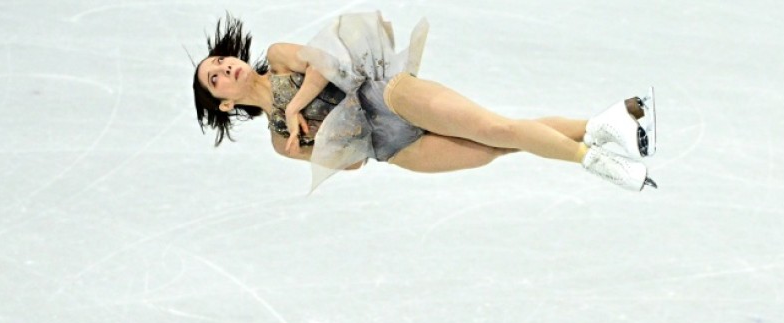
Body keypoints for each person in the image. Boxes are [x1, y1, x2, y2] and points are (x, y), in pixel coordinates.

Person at [192, 11, 657, 192]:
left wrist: (295, 107)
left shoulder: (277, 59)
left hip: (389, 97)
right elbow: (353, 165)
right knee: (502, 146)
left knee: (499, 129)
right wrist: (315, 145)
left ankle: (598, 161)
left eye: (220, 61)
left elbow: (325, 64)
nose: (225, 68)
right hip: (390, 147)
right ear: (225, 104)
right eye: (215, 79)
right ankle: (607, 125)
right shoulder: (280, 143)